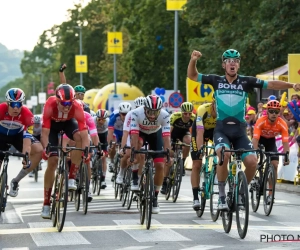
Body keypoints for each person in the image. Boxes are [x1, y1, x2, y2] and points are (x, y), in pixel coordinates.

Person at [187, 49, 300, 210]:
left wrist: (292, 85)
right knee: (223, 155)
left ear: (239, 65)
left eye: (235, 61)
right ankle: (221, 196)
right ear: (223, 64)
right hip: (222, 130)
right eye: (228, 60)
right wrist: (193, 60)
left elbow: (273, 84)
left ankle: (241, 192)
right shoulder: (215, 80)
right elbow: (192, 75)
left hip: (240, 131)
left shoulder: (246, 81)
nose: (232, 63)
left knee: (253, 162)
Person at [40, 84, 90, 219]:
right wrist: (46, 149)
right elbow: (45, 133)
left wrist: (86, 151)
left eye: (70, 103)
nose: (67, 106)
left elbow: (85, 134)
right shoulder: (50, 104)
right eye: (64, 103)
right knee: (53, 161)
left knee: (79, 138)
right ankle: (46, 203)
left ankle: (72, 177)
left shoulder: (77, 107)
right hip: (52, 126)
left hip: (69, 123)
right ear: (57, 100)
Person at [130, 95, 172, 213]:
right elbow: (133, 135)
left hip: (155, 134)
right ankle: (135, 173)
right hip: (141, 133)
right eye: (149, 112)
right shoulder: (136, 113)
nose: (153, 115)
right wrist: (133, 154)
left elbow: (166, 138)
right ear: (144, 109)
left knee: (160, 166)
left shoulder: (165, 115)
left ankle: (155, 197)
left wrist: (167, 154)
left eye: (155, 112)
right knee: (137, 144)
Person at [0, 88, 43, 197]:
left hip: (17, 137)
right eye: (13, 104)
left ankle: (15, 181)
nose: (15, 107)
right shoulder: (1, 109)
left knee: (38, 150)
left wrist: (25, 156)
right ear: (7, 103)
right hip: (1, 136)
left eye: (19, 104)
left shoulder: (27, 114)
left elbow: (27, 138)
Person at [252, 100, 290, 203]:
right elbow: (255, 140)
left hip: (270, 142)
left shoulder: (282, 124)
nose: (274, 114)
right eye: (271, 111)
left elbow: (285, 142)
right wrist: (254, 154)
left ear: (279, 113)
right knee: (255, 160)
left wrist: (287, 156)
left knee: (275, 164)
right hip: (259, 140)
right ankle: (255, 177)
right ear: (267, 112)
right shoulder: (261, 121)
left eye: (276, 112)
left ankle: (270, 193)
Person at [161, 102, 195, 194]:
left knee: (188, 142)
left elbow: (195, 133)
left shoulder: (194, 118)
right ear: (181, 112)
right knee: (170, 156)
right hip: (173, 134)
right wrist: (169, 143)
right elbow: (169, 131)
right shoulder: (174, 116)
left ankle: (182, 162)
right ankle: (164, 182)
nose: (187, 116)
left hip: (184, 133)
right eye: (185, 113)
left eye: (189, 113)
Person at [190, 101, 216, 210]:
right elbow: (200, 132)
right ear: (213, 105)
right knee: (197, 163)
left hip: (214, 131)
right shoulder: (203, 109)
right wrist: (200, 149)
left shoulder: (225, 111)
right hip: (200, 131)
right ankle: (196, 197)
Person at [107, 102, 132, 182]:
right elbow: (110, 131)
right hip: (116, 132)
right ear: (119, 113)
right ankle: (111, 161)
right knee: (113, 143)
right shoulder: (114, 116)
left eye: (127, 114)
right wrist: (110, 144)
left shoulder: (133, 117)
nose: (125, 116)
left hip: (127, 133)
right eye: (123, 114)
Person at [94, 109, 110, 189]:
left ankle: (103, 179)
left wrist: (108, 146)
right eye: (99, 119)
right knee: (93, 150)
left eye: (103, 119)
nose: (100, 121)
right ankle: (93, 163)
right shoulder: (93, 120)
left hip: (104, 135)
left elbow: (110, 134)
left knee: (104, 157)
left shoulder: (108, 122)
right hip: (94, 134)